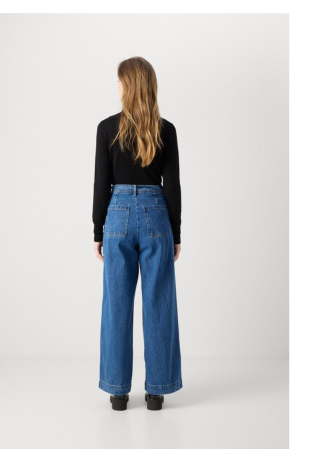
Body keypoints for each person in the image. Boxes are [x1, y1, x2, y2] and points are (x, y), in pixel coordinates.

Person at [92, 57, 183, 411]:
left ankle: (117, 392)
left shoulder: (106, 128)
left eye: (119, 81)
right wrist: (175, 232)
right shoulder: (166, 130)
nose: (116, 86)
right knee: (159, 301)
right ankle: (157, 391)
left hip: (117, 215)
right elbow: (172, 185)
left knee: (116, 304)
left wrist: (98, 229)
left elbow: (101, 183)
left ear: (127, 86)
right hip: (156, 214)